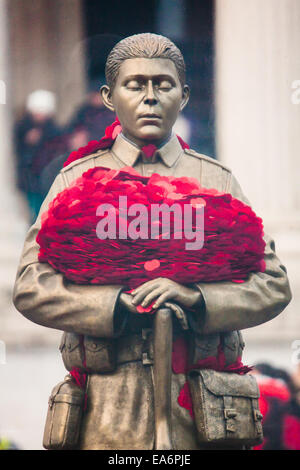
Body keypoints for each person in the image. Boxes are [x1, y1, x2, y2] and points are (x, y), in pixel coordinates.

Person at [13, 33, 292, 450]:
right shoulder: (75, 180)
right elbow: (31, 285)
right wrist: (112, 305)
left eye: (163, 85)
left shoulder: (214, 180)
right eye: (135, 84)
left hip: (202, 412)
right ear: (108, 96)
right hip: (107, 408)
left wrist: (196, 297)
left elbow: (273, 284)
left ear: (183, 95)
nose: (150, 98)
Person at [14, 90, 60, 223]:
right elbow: (19, 151)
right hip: (29, 177)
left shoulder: (53, 130)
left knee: (44, 208)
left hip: (46, 175)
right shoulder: (23, 127)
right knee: (32, 209)